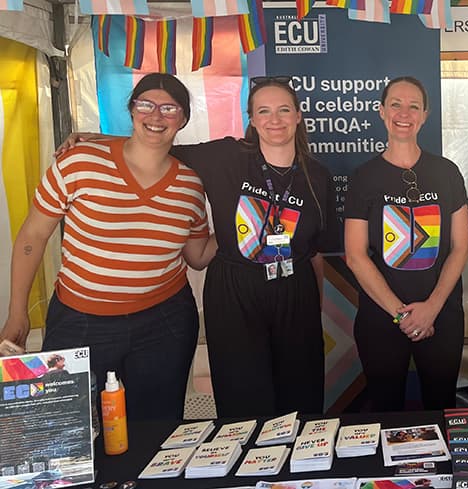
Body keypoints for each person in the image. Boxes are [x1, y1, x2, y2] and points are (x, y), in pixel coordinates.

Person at [54, 76, 341, 418]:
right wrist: (96, 139)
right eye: (263, 111)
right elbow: (158, 144)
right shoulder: (226, 155)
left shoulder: (318, 175)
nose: (274, 120)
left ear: (298, 116)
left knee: (302, 396)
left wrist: (315, 307)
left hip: (295, 291)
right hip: (235, 293)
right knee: (243, 400)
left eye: (283, 110)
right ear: (252, 118)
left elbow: (316, 252)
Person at [1, 73, 214, 420]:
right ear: (131, 111)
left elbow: (198, 256)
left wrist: (246, 225)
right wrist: (17, 312)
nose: (156, 116)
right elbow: (32, 238)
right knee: (66, 431)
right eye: (146, 105)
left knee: (155, 431)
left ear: (183, 119)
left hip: (164, 324)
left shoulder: (190, 185)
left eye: (169, 108)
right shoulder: (78, 162)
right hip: (79, 321)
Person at [344, 76, 468, 411]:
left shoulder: (447, 172)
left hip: (441, 315)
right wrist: (403, 316)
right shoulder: (364, 177)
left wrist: (430, 309)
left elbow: (460, 247)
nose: (404, 112)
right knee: (385, 408)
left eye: (414, 106)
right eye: (395, 104)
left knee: (442, 406)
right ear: (382, 112)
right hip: (381, 316)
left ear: (425, 115)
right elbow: (355, 256)